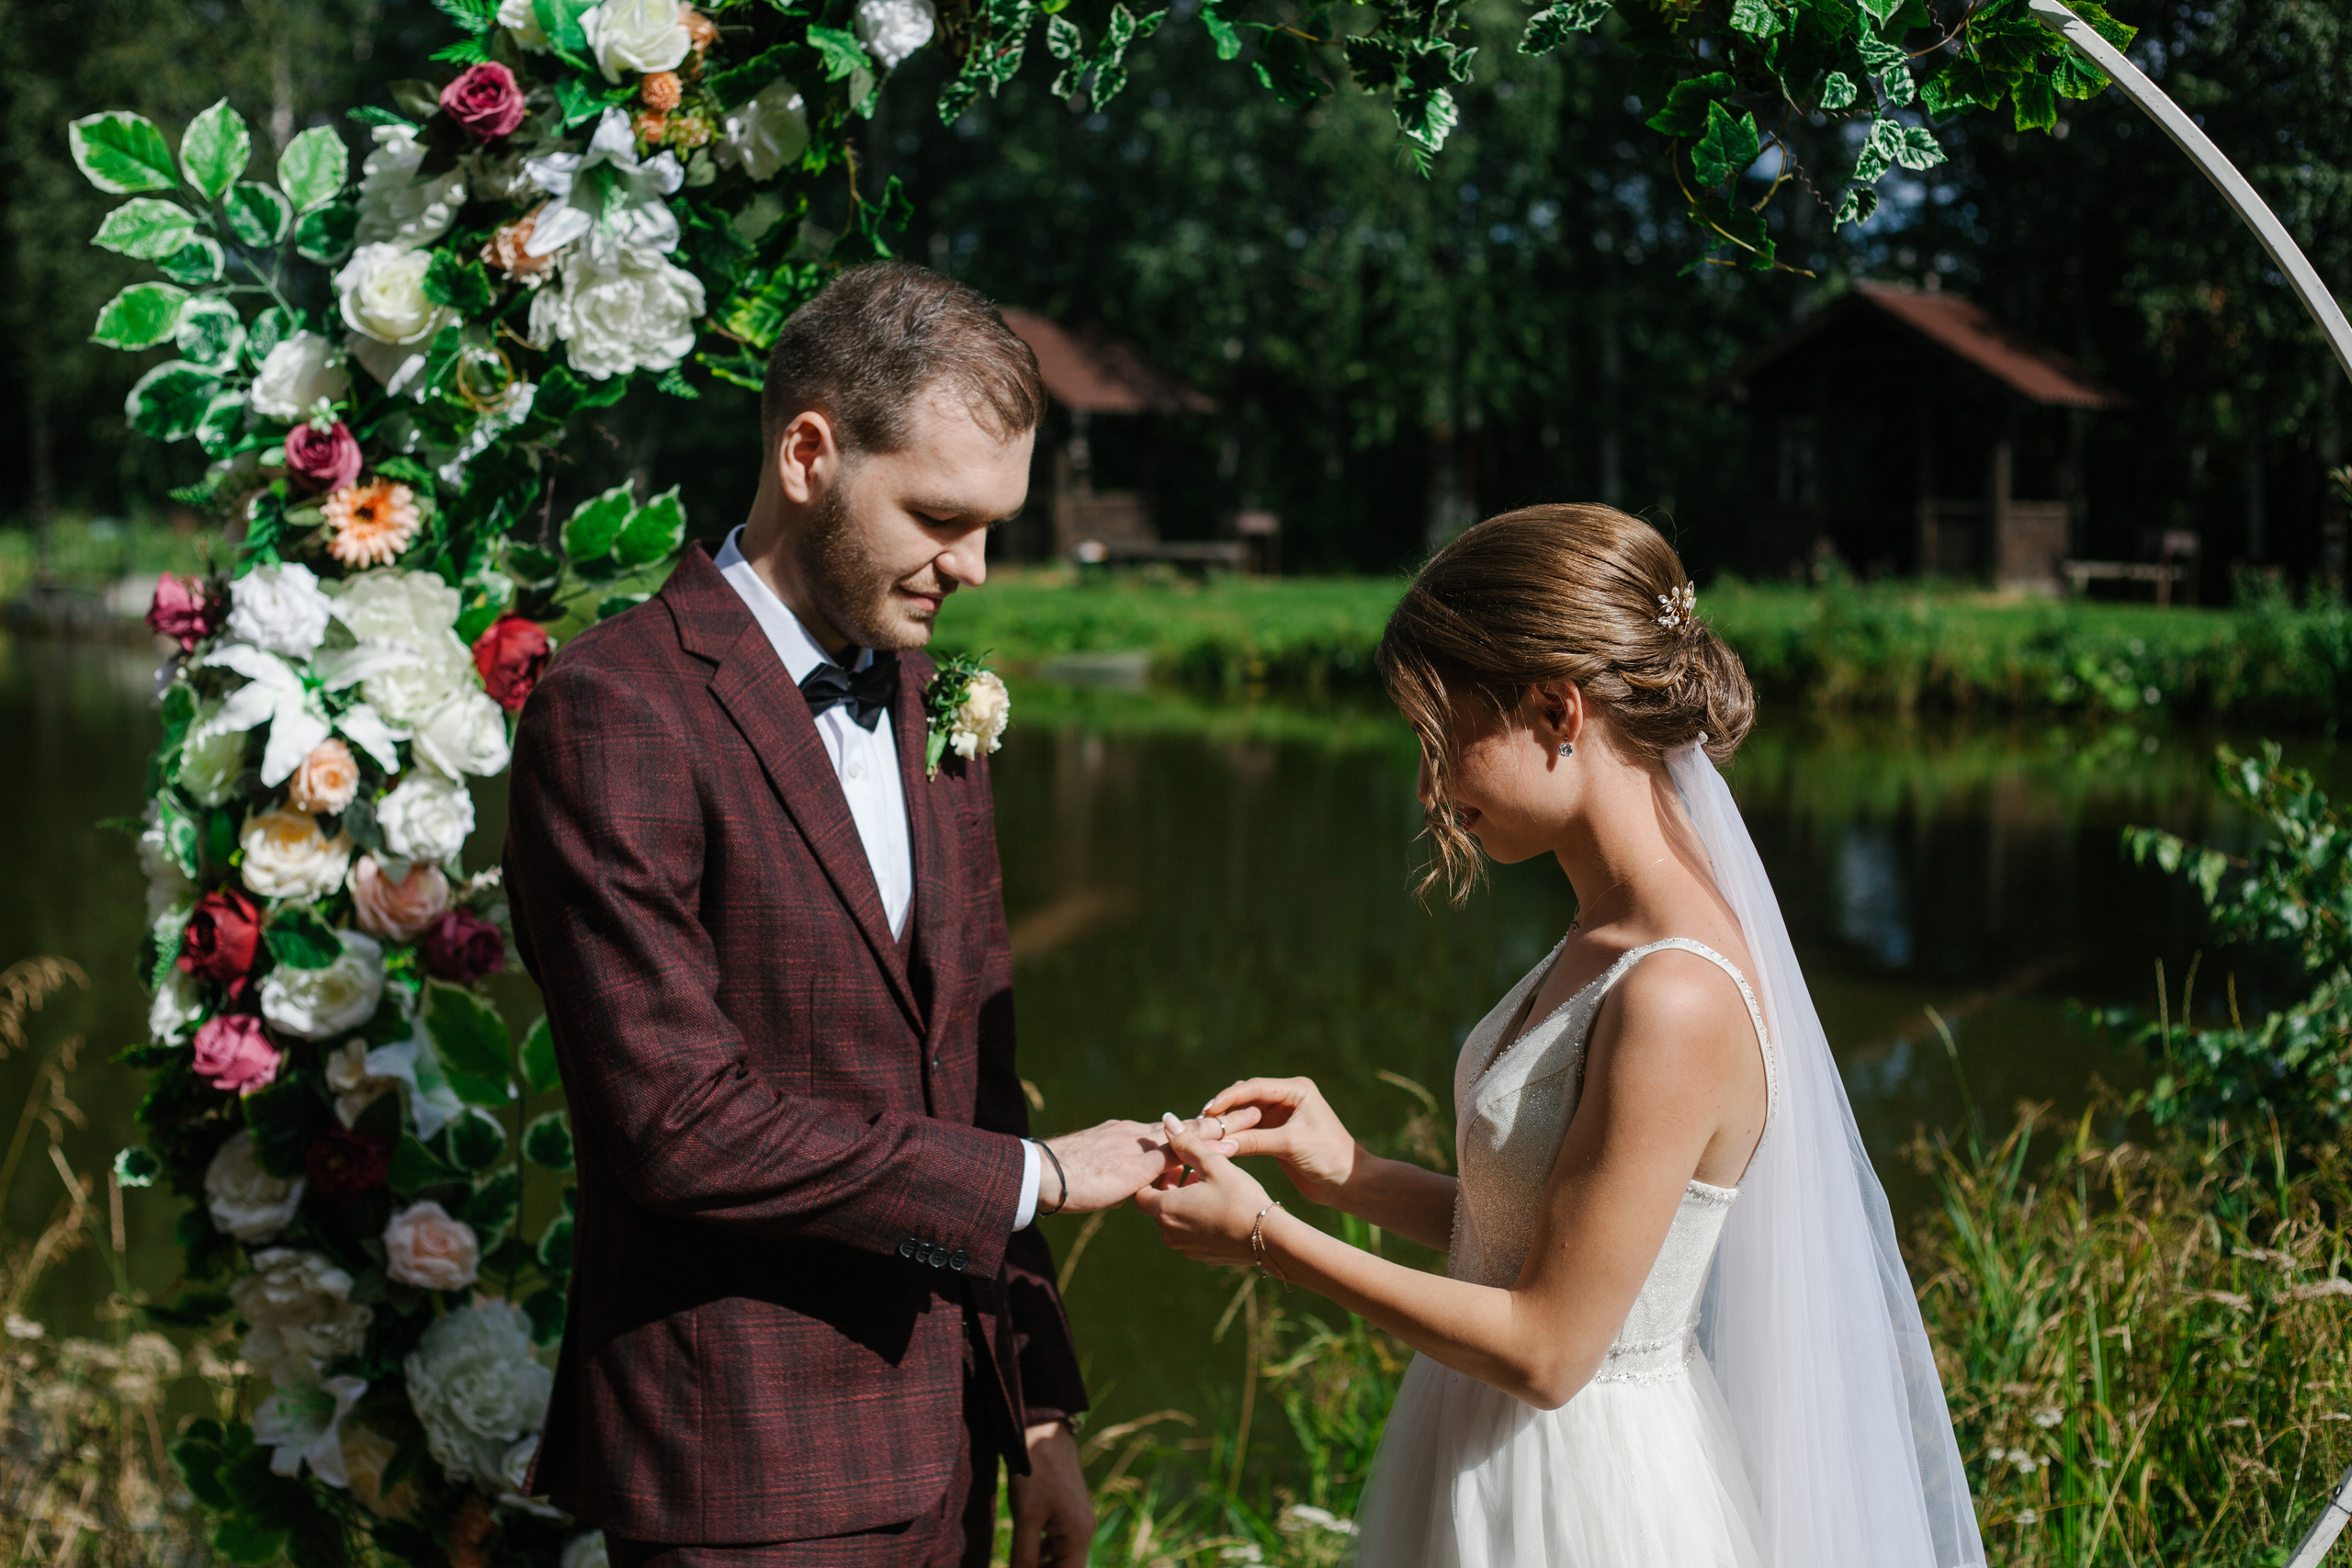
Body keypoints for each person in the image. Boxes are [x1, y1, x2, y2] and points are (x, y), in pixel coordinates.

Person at [1140, 505, 1985, 1567]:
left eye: (1442, 739)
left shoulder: (1674, 993)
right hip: (1489, 1451)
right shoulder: (1604, 931)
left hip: (1583, 1495)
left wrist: (1266, 1239)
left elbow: (1549, 1346)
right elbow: (1547, 1236)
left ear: (1554, 710)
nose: (1427, 786)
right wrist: (1346, 1174)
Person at [505, 262, 1178, 1568]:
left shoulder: (937, 704)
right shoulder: (616, 710)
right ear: (810, 451)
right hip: (744, 1477)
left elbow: (973, 1078)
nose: (974, 566)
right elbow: (678, 1126)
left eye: (995, 523)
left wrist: (1037, 1410)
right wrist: (1041, 1181)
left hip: (954, 1456)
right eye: (939, 514)